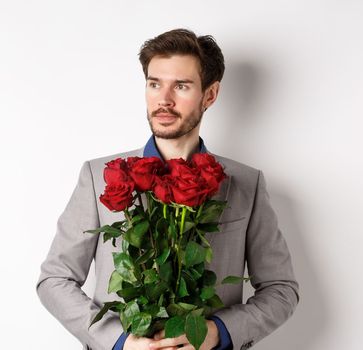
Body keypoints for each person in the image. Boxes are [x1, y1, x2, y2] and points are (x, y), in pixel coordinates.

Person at [36, 28, 299, 350]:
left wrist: (216, 333)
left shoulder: (246, 183)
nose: (164, 99)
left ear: (210, 95)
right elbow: (55, 279)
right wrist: (119, 341)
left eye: (182, 86)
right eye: (154, 83)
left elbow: (281, 289)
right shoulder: (98, 175)